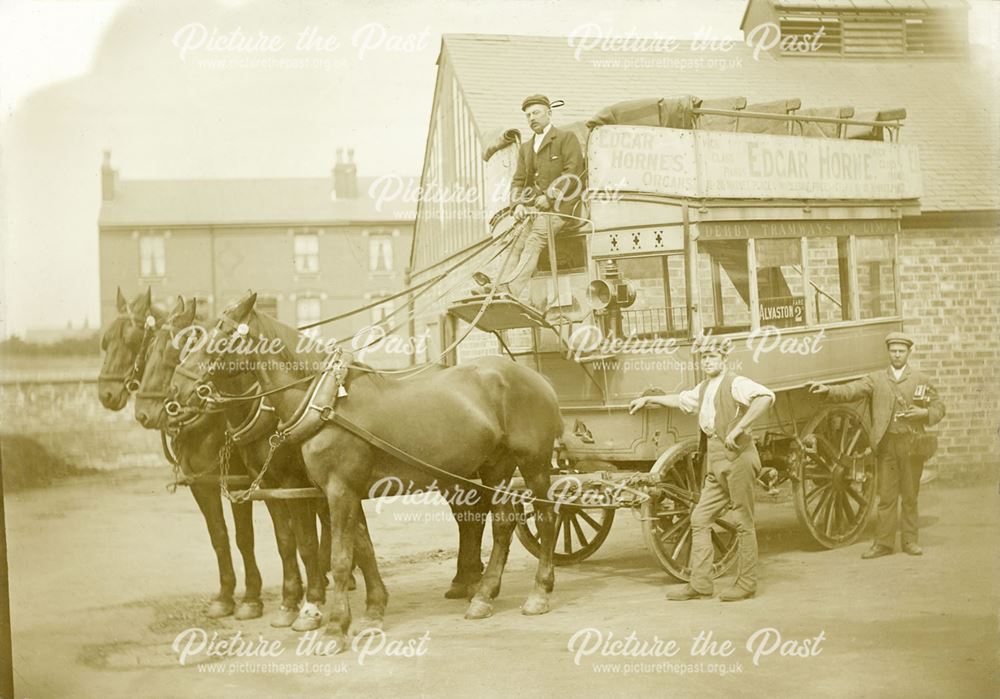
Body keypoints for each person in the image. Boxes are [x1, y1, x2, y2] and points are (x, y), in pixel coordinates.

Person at [629, 340, 774, 601]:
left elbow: (766, 397)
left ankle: (747, 583)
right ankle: (701, 583)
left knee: (743, 521)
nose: (707, 361)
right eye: (704, 358)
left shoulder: (736, 383)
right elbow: (680, 399)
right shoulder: (705, 387)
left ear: (724, 360)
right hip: (716, 458)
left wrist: (740, 428)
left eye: (712, 357)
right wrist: (650, 398)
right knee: (700, 518)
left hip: (738, 458)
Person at [808, 331, 945, 559]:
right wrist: (829, 390)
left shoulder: (921, 380)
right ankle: (883, 544)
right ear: (888, 352)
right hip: (886, 446)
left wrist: (924, 413)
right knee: (886, 496)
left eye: (901, 351)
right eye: (893, 351)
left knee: (910, 495)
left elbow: (940, 407)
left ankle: (910, 541)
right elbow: (851, 389)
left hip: (911, 445)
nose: (897, 355)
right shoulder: (876, 379)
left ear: (909, 353)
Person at [478, 94, 584, 303]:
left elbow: (572, 174)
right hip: (535, 211)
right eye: (528, 115)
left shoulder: (565, 138)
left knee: (535, 239)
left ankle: (511, 289)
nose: (531, 118)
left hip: (561, 209)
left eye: (536, 112)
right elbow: (518, 181)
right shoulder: (526, 148)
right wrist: (517, 205)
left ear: (549, 113)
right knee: (516, 241)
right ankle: (496, 289)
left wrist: (550, 197)